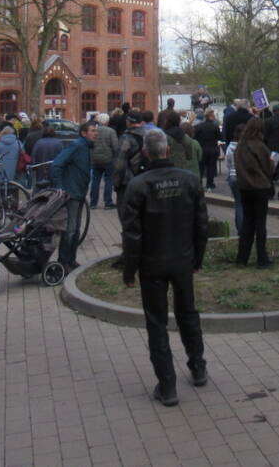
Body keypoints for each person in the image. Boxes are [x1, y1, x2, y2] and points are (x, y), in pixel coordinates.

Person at [120, 128, 209, 407]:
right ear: (167, 151)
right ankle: (197, 367)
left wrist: (129, 271)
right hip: (182, 259)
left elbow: (132, 234)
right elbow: (201, 225)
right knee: (188, 313)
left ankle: (168, 383)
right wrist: (197, 259)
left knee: (157, 323)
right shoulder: (190, 180)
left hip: (153, 263)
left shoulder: (138, 185)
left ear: (146, 152)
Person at [51, 120, 98, 272]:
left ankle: (71, 260)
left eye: (96, 131)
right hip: (71, 193)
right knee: (70, 229)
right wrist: (60, 188)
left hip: (79, 193)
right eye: (92, 131)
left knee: (76, 229)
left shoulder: (86, 147)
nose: (95, 133)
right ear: (84, 133)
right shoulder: (77, 145)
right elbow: (56, 164)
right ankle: (63, 262)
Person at [233, 117, 274, 268]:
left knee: (247, 223)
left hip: (244, 187)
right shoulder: (260, 146)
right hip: (260, 187)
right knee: (260, 223)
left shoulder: (240, 147)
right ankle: (262, 258)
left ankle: (242, 258)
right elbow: (269, 169)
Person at [112, 111, 147, 216]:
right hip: (146, 178)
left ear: (128, 122)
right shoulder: (149, 135)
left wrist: (116, 183)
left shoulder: (126, 138)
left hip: (128, 181)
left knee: (126, 214)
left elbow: (119, 163)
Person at [88, 113, 119, 208]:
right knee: (109, 180)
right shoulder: (111, 131)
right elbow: (115, 146)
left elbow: (90, 144)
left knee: (95, 180)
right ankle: (108, 202)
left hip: (95, 159)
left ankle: (93, 203)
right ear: (107, 121)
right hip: (108, 159)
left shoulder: (94, 130)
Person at [193, 109, 222, 190]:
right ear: (210, 116)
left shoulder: (199, 126)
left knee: (201, 167)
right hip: (213, 149)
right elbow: (220, 137)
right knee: (211, 167)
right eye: (213, 115)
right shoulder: (215, 126)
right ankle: (210, 184)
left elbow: (194, 137)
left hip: (202, 149)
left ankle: (199, 183)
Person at [224, 125, 244, 233]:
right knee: (244, 203)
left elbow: (227, 163)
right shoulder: (245, 146)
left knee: (238, 203)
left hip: (233, 175)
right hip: (244, 176)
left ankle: (240, 228)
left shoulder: (230, 147)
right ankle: (245, 227)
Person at [30, 124, 63, 189]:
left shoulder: (39, 142)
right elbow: (62, 157)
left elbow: (34, 155)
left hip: (41, 170)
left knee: (41, 188)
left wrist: (34, 167)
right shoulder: (58, 143)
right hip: (54, 170)